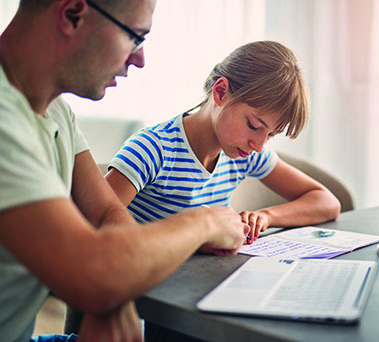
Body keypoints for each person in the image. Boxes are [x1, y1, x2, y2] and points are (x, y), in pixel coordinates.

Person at [0, 1, 249, 342]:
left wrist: (114, 294)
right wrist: (206, 221)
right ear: (73, 14)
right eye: (135, 37)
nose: (139, 59)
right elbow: (94, 270)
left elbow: (106, 211)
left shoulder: (57, 111)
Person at [104, 40, 342, 341]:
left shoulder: (244, 153)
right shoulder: (153, 149)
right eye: (255, 125)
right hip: (153, 307)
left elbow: (325, 201)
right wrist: (193, 238)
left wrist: (266, 216)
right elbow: (93, 227)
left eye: (271, 135)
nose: (260, 144)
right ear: (220, 92)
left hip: (206, 294)